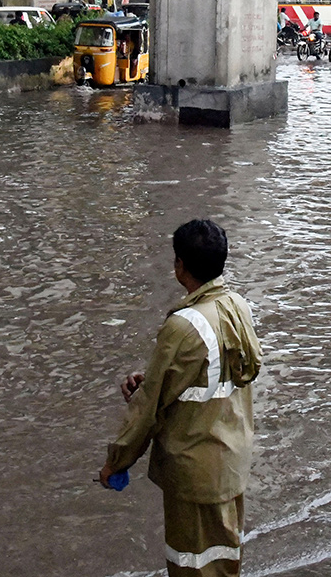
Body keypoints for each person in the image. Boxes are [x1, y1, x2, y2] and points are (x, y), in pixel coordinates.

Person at [99, 219, 262, 577]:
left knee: (190, 563)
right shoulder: (237, 307)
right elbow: (215, 376)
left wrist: (117, 461)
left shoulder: (183, 324)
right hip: (230, 460)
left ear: (180, 265)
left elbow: (147, 409)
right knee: (224, 557)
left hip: (194, 468)